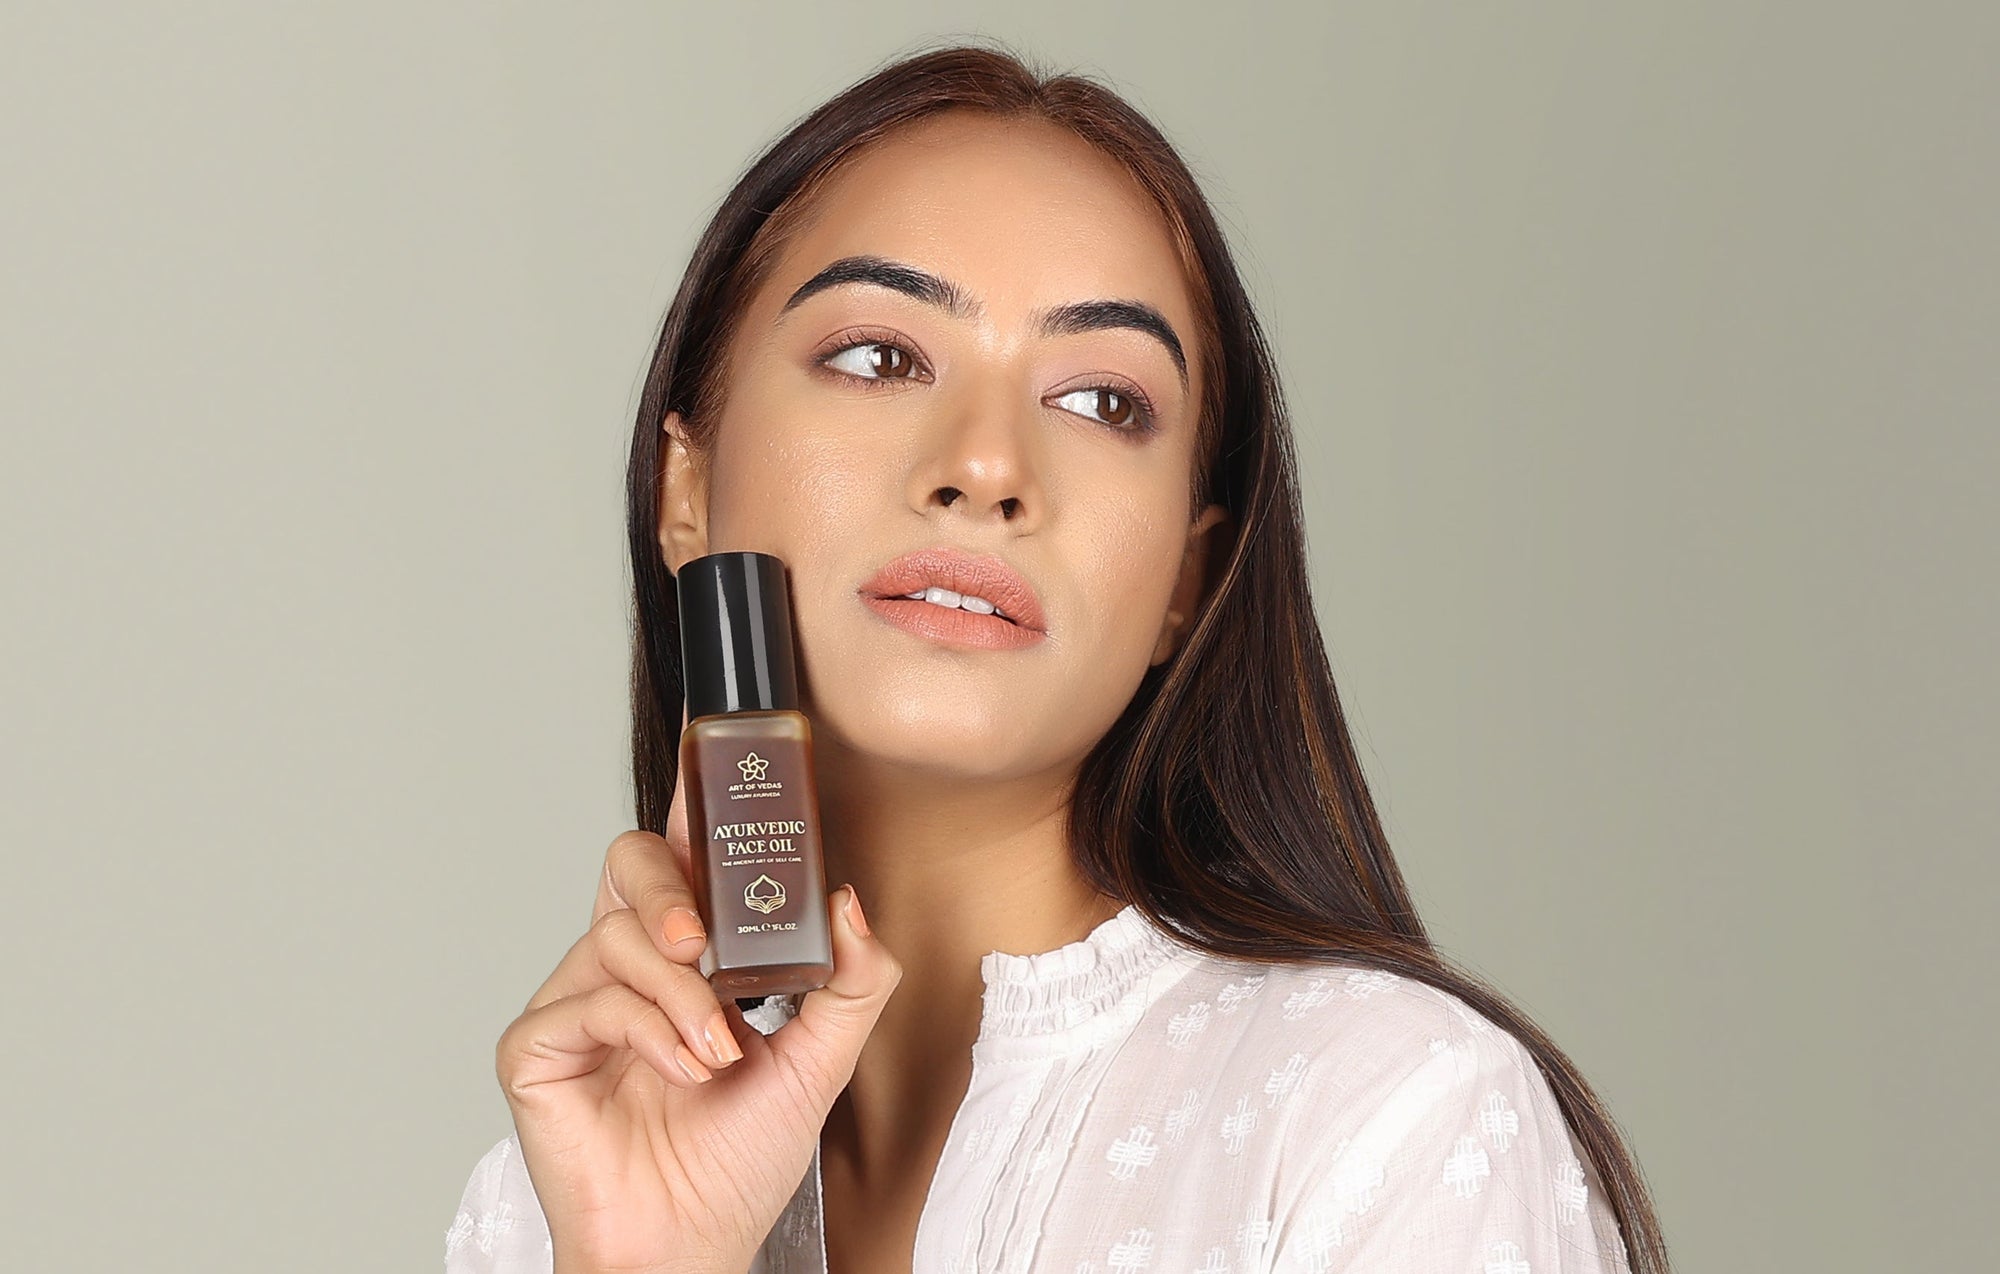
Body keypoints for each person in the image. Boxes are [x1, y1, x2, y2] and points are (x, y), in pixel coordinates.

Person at [445, 40, 1668, 1274]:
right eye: (878, 356)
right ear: (685, 486)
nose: (984, 464)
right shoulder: (557, 1191)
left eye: (1101, 402)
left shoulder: (1384, 1114)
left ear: (1185, 581)